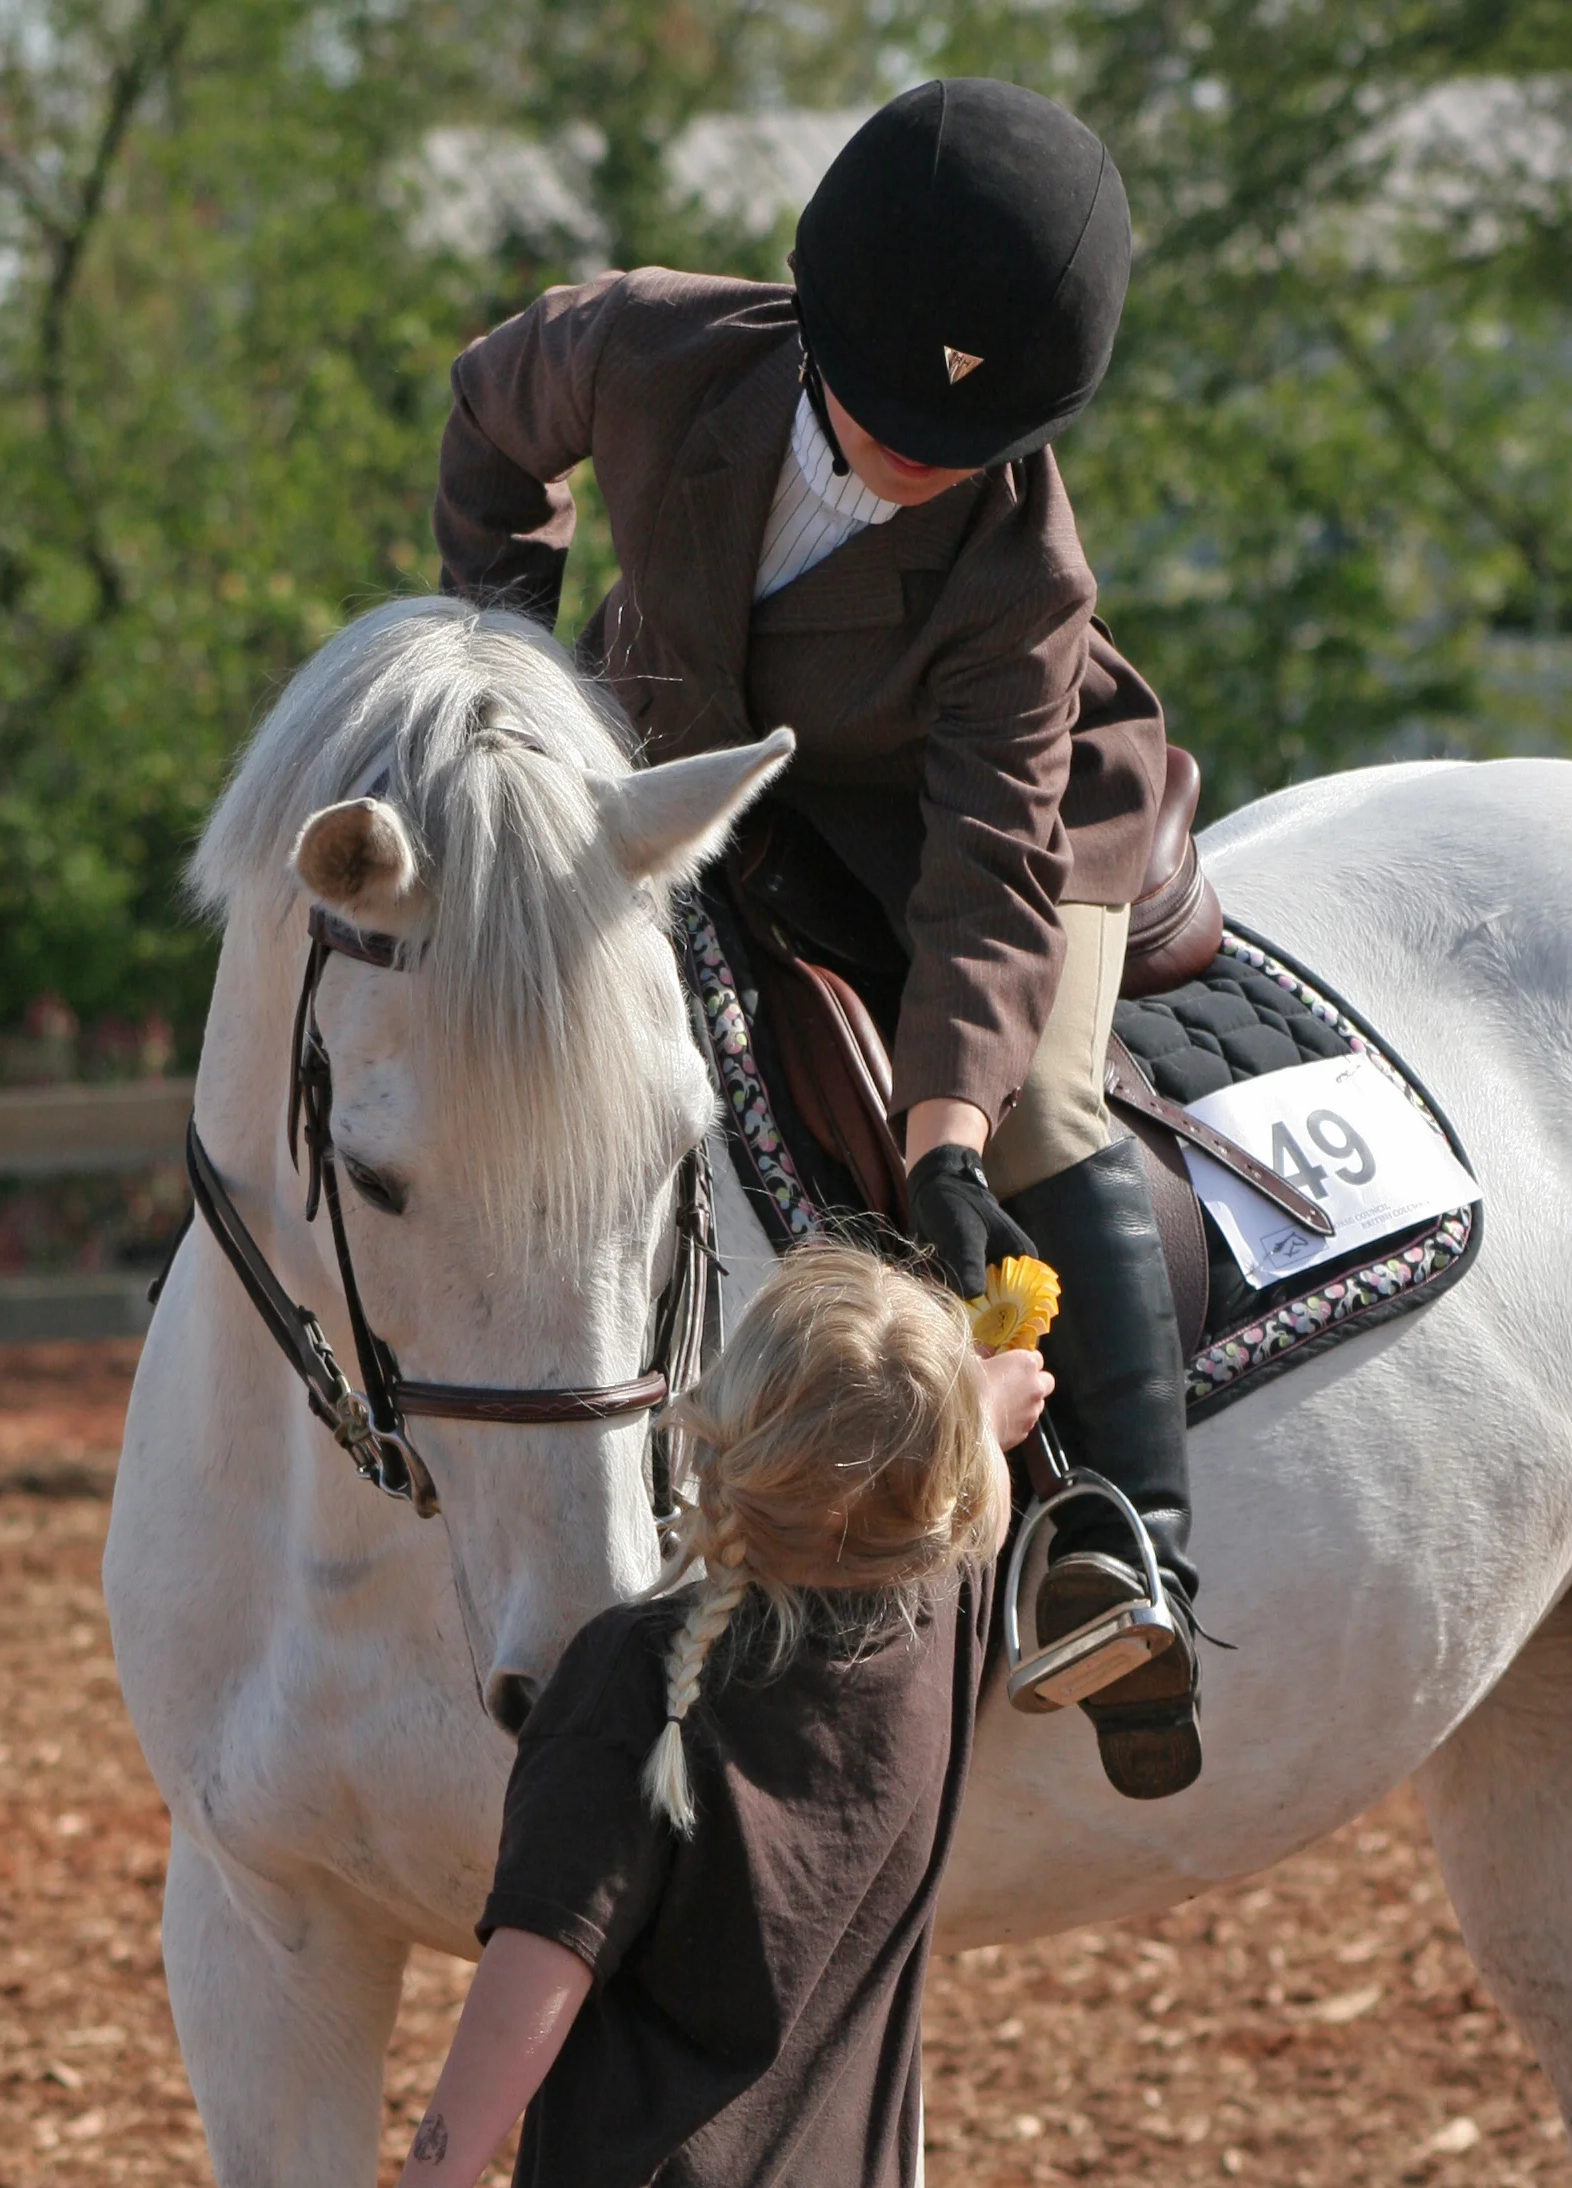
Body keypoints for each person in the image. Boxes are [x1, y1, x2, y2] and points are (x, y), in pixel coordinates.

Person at [432, 78, 1201, 1800]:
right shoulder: (648, 350)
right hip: (707, 767)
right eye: (888, 415)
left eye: (969, 447)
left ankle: (1126, 1538)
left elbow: (985, 874)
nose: (923, 463)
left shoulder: (1022, 579)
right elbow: (491, 424)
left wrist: (944, 1143)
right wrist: (506, 668)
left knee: (1045, 1110)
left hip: (995, 815)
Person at [353, 1246, 1051, 2188]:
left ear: (723, 1427)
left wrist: (436, 2183)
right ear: (936, 1481)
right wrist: (979, 1408)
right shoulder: (938, 1629)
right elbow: (953, 1499)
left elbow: (541, 1962)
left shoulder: (633, 1675)